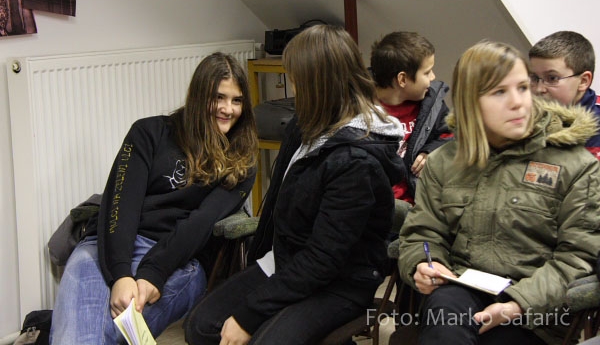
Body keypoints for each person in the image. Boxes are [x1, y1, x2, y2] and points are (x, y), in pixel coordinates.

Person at [184, 25, 407, 345]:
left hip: (340, 283)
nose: (292, 88)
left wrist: (250, 314)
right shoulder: (306, 126)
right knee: (202, 326)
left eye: (296, 80)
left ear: (318, 86)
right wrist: (255, 286)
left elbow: (322, 260)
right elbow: (276, 208)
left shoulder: (355, 162)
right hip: (288, 263)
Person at [397, 40, 600, 345]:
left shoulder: (575, 165)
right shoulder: (444, 161)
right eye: (499, 92)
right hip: (462, 286)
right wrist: (423, 264)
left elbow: (578, 256)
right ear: (470, 102)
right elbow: (423, 233)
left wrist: (518, 305)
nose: (518, 102)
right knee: (444, 318)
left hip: (536, 309)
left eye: (523, 87)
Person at [50, 52, 258, 344]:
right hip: (107, 248)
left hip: (178, 261)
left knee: (107, 330)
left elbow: (200, 223)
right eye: (219, 98)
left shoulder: (242, 161)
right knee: (79, 333)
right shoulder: (149, 132)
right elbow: (121, 204)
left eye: (237, 100)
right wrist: (120, 274)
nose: (228, 109)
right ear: (199, 97)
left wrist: (153, 273)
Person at [370, 31, 452, 205]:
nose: (433, 77)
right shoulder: (358, 110)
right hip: (377, 206)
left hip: (418, 204)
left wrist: (431, 151)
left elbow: (451, 134)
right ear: (402, 79)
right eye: (427, 72)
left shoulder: (431, 103)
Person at [529, 30, 600, 159]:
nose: (539, 89)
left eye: (552, 78)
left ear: (583, 81)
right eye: (534, 78)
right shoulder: (522, 115)